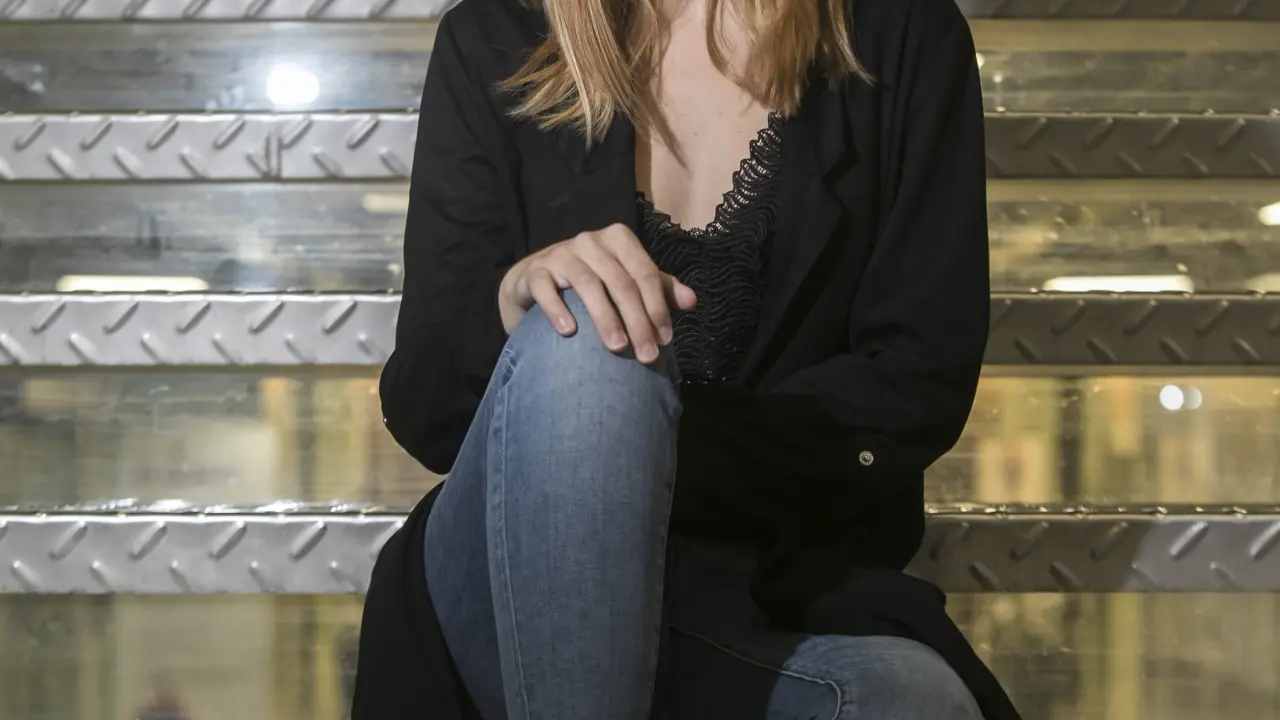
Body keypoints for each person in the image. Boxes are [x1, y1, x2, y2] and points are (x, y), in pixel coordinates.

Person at [354, 0, 1021, 717]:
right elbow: (423, 409)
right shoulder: (493, 35)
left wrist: (624, 445)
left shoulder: (901, 31)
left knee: (917, 700)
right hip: (517, 576)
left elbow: (915, 382)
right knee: (590, 344)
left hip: (774, 582)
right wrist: (516, 309)